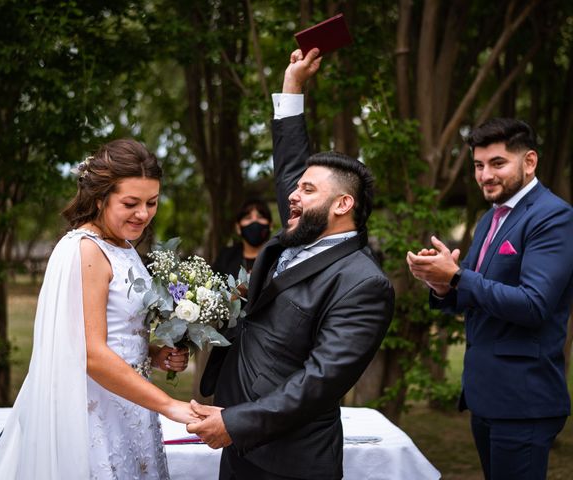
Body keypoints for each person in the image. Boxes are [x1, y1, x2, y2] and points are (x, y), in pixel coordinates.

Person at [189, 49, 395, 480]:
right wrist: (292, 87)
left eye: (306, 189)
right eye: (295, 188)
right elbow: (288, 163)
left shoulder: (363, 283)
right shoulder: (299, 233)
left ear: (343, 204)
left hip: (289, 461)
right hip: (242, 441)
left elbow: (319, 382)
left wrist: (235, 424)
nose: (291, 196)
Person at [0, 139, 198, 480]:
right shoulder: (86, 250)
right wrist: (170, 405)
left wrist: (154, 353)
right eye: (130, 203)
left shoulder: (124, 246)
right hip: (96, 413)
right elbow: (91, 353)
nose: (143, 213)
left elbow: (117, 331)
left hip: (130, 405)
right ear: (100, 199)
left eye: (152, 202)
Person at [406, 118, 573, 480]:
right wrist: (441, 284)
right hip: (486, 395)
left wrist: (458, 276)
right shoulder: (489, 219)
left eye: (497, 163)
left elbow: (533, 305)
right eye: (479, 166)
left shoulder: (553, 216)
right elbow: (471, 291)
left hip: (524, 400)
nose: (485, 175)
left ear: (529, 162)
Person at [213, 198, 273, 278]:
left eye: (260, 217)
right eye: (248, 218)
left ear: (270, 225)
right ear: (238, 228)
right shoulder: (226, 258)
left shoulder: (280, 257)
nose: (254, 221)